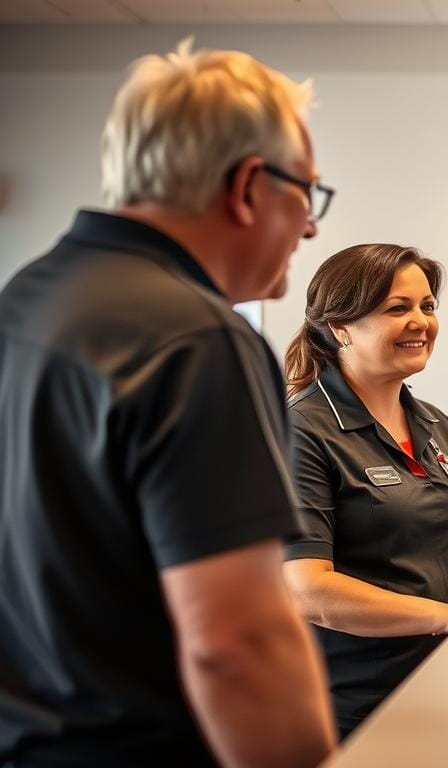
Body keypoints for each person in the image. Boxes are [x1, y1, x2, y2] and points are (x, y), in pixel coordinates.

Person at [0, 41, 335, 766]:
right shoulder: (197, 339)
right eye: (307, 193)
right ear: (249, 186)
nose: (310, 227)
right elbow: (236, 647)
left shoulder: (29, 295)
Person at [282, 243, 448, 737]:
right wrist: (446, 618)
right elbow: (308, 589)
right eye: (396, 308)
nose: (420, 322)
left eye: (427, 306)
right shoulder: (302, 431)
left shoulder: (433, 422)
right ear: (339, 327)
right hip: (358, 705)